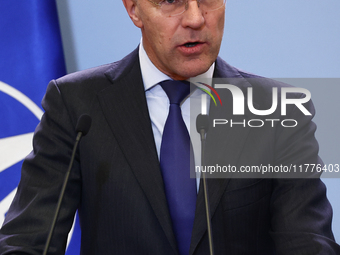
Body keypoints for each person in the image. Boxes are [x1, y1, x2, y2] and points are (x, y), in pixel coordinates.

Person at [1, 0, 339, 254]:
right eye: (171, 0)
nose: (195, 18)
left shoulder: (277, 110)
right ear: (134, 9)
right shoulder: (77, 106)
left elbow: (308, 242)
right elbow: (29, 242)